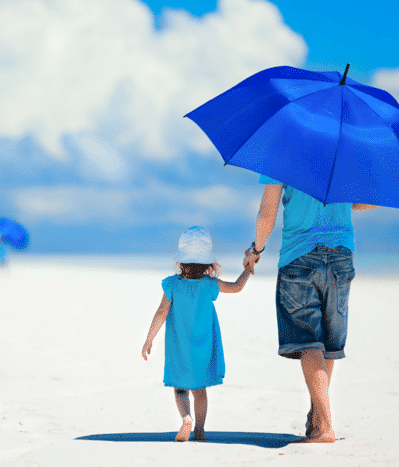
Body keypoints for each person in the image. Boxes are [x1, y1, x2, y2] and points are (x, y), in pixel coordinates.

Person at [243, 176, 377, 443]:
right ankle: (318, 418)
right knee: (328, 341)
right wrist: (336, 202)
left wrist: (256, 248)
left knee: (308, 341)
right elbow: (369, 203)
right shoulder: (344, 153)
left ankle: (325, 427)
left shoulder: (282, 152)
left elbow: (267, 212)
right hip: (341, 255)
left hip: (300, 255)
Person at [142, 226, 251, 442]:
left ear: (181, 261)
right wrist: (248, 268)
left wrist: (149, 338)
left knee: (180, 388)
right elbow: (237, 287)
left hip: (179, 346)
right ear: (208, 262)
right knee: (200, 390)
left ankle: (186, 419)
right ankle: (199, 430)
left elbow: (162, 312)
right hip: (203, 345)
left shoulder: (172, 284)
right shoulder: (210, 285)